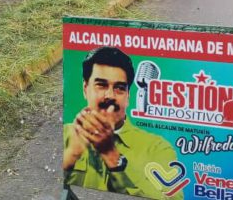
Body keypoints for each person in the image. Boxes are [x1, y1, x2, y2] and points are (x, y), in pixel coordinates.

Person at [63, 47, 182, 199]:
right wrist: (71, 154)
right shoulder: (66, 133)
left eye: (119, 88)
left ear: (128, 96)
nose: (110, 96)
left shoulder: (157, 148)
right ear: (85, 89)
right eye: (101, 85)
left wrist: (113, 156)